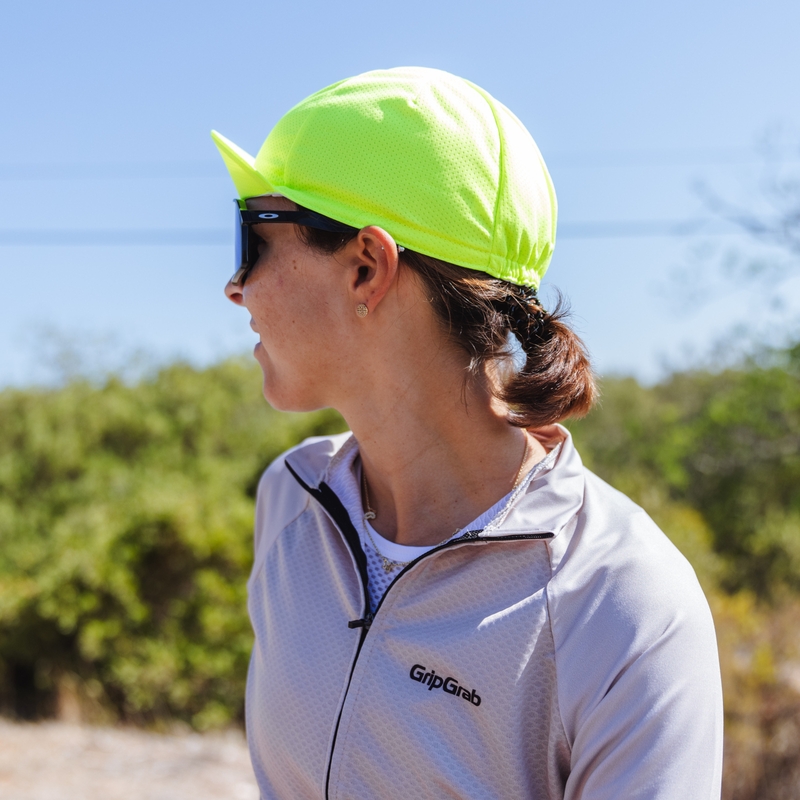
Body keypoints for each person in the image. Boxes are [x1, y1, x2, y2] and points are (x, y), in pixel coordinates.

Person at [212, 67, 723, 800]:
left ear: (367, 268)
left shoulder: (625, 603)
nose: (235, 287)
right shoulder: (290, 502)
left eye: (253, 238)